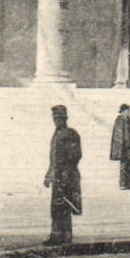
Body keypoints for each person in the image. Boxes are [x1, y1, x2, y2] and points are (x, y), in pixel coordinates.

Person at [43, 104, 83, 246]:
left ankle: (65, 236)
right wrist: (49, 175)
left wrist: (65, 173)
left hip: (67, 176)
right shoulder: (57, 134)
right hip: (58, 177)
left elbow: (75, 155)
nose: (57, 121)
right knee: (56, 207)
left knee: (64, 206)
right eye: (55, 118)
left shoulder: (70, 134)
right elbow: (53, 158)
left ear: (65, 118)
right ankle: (57, 234)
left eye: (59, 118)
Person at [110, 103, 130, 190]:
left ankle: (127, 184)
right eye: (127, 111)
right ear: (123, 111)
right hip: (124, 148)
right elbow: (120, 136)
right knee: (124, 166)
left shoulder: (129, 120)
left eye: (129, 111)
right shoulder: (120, 121)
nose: (129, 112)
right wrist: (124, 146)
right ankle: (123, 184)